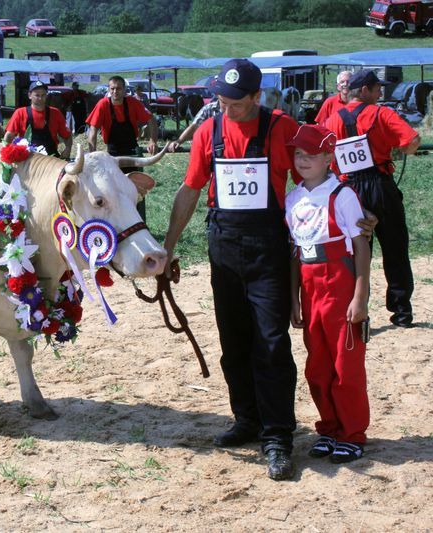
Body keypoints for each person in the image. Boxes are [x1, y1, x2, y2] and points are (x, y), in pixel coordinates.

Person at [163, 59, 301, 481]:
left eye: (236, 104)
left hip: (267, 247)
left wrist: (346, 213)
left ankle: (277, 434)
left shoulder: (281, 129)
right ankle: (247, 419)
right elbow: (190, 189)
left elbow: (314, 174)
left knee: (272, 343)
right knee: (233, 340)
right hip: (223, 245)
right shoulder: (209, 131)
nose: (227, 110)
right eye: (221, 102)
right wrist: (166, 248)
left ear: (257, 98)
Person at [285, 124, 370, 464]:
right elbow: (294, 250)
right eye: (298, 154)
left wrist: (360, 295)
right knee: (317, 364)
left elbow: (361, 247)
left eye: (312, 155)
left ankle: (352, 433)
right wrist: (294, 297)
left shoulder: (343, 195)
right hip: (309, 282)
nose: (304, 160)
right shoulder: (293, 197)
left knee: (345, 362)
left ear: (329, 157)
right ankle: (329, 428)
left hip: (339, 279)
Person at [322, 69, 420, 328]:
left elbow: (322, 155)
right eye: (377, 88)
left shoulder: (332, 120)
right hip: (380, 185)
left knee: (355, 252)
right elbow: (412, 141)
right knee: (395, 247)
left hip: (349, 190)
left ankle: (355, 308)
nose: (380, 93)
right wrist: (396, 150)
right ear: (364, 90)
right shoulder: (382, 114)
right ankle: (401, 311)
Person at [86, 76, 158, 220]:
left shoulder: (133, 103)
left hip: (132, 152)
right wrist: (92, 154)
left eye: (118, 88)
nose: (115, 92)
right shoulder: (102, 104)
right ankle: (117, 221)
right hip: (112, 154)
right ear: (108, 90)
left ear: (125, 90)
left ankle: (137, 221)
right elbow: (92, 131)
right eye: (112, 88)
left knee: (134, 190)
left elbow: (151, 120)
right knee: (113, 191)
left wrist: (152, 141)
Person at [3, 81, 72, 158]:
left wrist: (68, 149)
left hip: (50, 158)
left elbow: (67, 136)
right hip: (26, 159)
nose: (40, 98)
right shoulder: (20, 113)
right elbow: (9, 136)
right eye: (37, 95)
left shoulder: (55, 113)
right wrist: (7, 154)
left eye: (43, 95)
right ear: (29, 95)